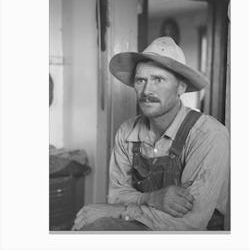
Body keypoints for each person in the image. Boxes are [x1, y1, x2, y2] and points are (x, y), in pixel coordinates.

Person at [72, 37, 230, 231]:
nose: (147, 90)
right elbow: (116, 195)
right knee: (89, 226)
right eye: (141, 80)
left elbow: (190, 222)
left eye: (158, 79)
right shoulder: (127, 132)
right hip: (145, 225)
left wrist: (119, 211)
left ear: (181, 87)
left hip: (194, 235)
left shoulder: (208, 135)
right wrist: (152, 198)